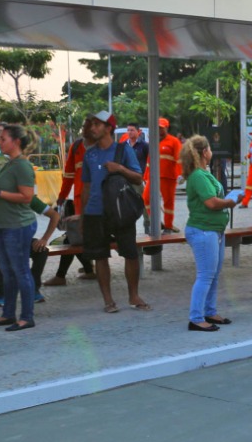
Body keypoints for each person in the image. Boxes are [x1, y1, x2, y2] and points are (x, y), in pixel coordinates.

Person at [81, 110, 149, 313]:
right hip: (95, 212)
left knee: (130, 253)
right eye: (91, 124)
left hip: (120, 210)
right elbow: (85, 187)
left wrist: (119, 168)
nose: (92, 128)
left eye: (97, 124)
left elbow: (138, 178)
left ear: (109, 127)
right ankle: (108, 301)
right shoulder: (89, 154)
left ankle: (134, 296)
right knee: (100, 256)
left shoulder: (123, 150)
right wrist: (83, 216)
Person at [0, 124, 38, 331]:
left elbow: (27, 197)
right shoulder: (8, 163)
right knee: (8, 272)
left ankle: (27, 317)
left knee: (21, 271)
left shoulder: (22, 166)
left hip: (18, 227)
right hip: (2, 226)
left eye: (3, 138)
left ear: (16, 141)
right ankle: (8, 314)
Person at [181, 135, 237, 332]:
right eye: (210, 148)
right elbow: (211, 203)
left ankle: (209, 311)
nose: (211, 151)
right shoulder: (198, 175)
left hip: (214, 230)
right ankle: (196, 318)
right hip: (203, 230)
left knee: (213, 274)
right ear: (205, 152)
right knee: (205, 275)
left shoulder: (204, 173)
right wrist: (230, 202)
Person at [0, 193, 60, 304]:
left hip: (22, 239)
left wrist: (44, 239)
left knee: (41, 250)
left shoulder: (27, 196)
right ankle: (2, 294)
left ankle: (33, 288)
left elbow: (54, 215)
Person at [51, 119, 95, 283]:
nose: (85, 129)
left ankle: (62, 276)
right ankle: (87, 269)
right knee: (76, 236)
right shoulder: (77, 146)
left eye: (89, 126)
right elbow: (69, 174)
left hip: (98, 203)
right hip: (79, 202)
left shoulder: (103, 147)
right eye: (84, 126)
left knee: (74, 238)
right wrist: (62, 196)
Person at [143, 117, 182, 232]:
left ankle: (168, 227)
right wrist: (146, 176)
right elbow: (149, 161)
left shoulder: (174, 141)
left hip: (168, 177)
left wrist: (180, 174)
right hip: (153, 177)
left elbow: (179, 159)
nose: (159, 131)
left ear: (166, 128)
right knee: (146, 198)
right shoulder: (154, 141)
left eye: (161, 128)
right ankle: (155, 221)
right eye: (157, 128)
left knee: (168, 202)